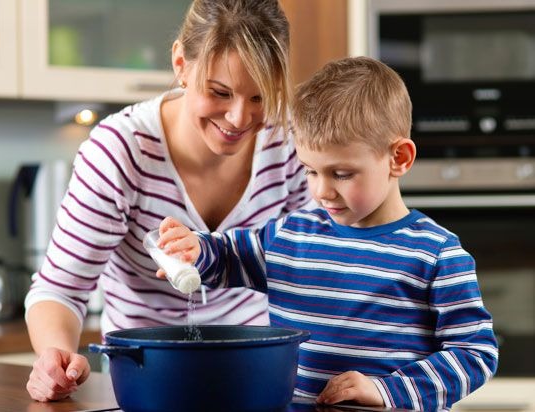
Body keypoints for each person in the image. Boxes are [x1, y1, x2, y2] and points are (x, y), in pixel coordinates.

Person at [155, 56, 499, 411]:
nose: (322, 191)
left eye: (342, 174)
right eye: (311, 171)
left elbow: (475, 353)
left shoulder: (436, 254)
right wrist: (194, 249)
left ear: (399, 157)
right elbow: (228, 255)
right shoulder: (291, 235)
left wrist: (387, 391)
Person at [24, 0, 311, 403]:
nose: (238, 118)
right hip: (147, 377)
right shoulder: (120, 151)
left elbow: (312, 265)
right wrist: (55, 357)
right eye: (220, 92)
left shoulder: (290, 144)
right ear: (181, 63)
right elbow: (60, 290)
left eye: (260, 97)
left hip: (256, 373)